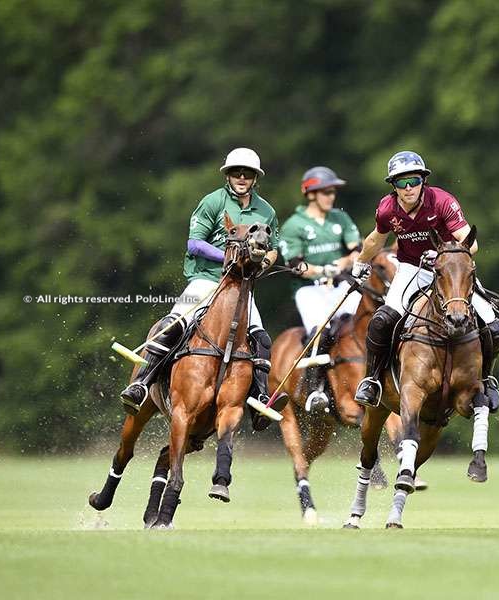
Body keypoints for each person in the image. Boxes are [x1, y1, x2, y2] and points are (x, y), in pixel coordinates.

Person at [119, 147, 289, 428]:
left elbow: (272, 249)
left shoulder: (266, 211)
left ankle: (260, 401)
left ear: (256, 178)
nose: (242, 177)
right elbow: (194, 243)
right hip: (208, 279)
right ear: (228, 175)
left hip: (242, 287)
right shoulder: (212, 202)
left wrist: (266, 262)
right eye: (236, 172)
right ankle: (141, 384)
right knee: (172, 325)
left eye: (248, 174)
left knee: (261, 339)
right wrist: (228, 256)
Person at [348, 150, 499, 409]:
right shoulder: (388, 209)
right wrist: (361, 262)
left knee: (493, 326)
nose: (409, 188)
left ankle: (486, 379)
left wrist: (444, 253)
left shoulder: (442, 201)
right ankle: (373, 379)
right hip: (412, 269)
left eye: (414, 181)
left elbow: (471, 243)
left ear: (424, 181)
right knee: (381, 321)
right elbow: (376, 239)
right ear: (393, 186)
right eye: (401, 182)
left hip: (451, 271)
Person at [278, 166, 362, 410]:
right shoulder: (294, 225)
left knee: (371, 322)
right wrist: (320, 270)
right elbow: (294, 263)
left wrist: (344, 263)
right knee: (320, 332)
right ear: (311, 193)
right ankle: (317, 389)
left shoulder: (341, 218)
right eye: (325, 192)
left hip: (341, 287)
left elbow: (356, 250)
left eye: (333, 192)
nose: (331, 197)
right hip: (310, 289)